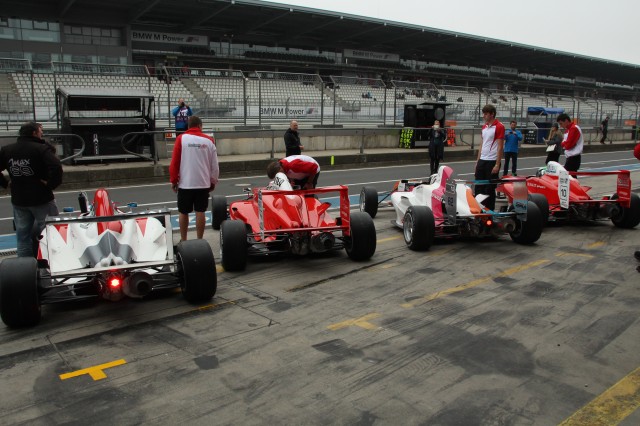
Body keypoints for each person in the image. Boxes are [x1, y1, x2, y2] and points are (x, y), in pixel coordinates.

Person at [0, 121, 62, 257]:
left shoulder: (7, 150)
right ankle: (52, 261)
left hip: (19, 199)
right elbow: (56, 166)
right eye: (40, 131)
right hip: (41, 198)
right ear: (34, 133)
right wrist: (50, 184)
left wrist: (6, 183)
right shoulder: (40, 149)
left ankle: (25, 265)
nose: (42, 133)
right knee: (50, 232)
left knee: (22, 237)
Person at [169, 116, 219, 241]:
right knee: (200, 211)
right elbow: (214, 165)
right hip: (203, 183)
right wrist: (213, 181)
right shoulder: (209, 141)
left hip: (185, 183)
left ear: (188, 126)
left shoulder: (181, 138)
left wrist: (174, 180)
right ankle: (199, 240)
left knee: (183, 212)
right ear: (200, 126)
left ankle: (184, 239)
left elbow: (174, 162)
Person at [474, 104, 504, 211]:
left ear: (492, 114)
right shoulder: (484, 127)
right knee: (478, 186)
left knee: (489, 189)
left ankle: (489, 212)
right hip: (482, 160)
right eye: (483, 113)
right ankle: (478, 209)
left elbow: (500, 147)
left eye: (486, 114)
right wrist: (477, 161)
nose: (484, 116)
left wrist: (497, 164)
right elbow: (482, 144)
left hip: (492, 161)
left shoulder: (499, 126)